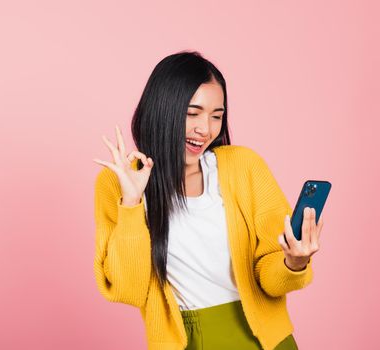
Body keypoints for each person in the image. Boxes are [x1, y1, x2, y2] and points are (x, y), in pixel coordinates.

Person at [92, 51, 324, 350]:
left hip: (264, 339)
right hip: (185, 340)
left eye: (217, 115)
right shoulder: (118, 184)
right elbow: (129, 290)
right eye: (193, 113)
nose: (206, 129)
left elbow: (269, 277)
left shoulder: (244, 166)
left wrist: (294, 262)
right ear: (163, 109)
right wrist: (132, 203)